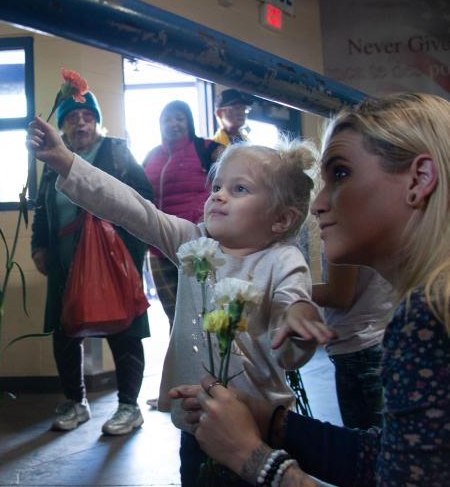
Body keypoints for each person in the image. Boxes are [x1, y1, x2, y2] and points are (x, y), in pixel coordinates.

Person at [27, 115, 325, 486]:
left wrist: (299, 322)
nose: (218, 195)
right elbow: (132, 208)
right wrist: (65, 161)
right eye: (217, 186)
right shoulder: (193, 244)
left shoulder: (281, 259)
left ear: (281, 219)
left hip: (256, 428)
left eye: (239, 189)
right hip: (197, 423)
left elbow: (291, 311)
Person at [178, 93, 450, 487]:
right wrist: (268, 420)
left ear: (419, 179)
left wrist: (251, 456)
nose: (319, 204)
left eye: (339, 174)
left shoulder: (428, 316)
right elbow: (393, 455)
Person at [30, 91, 153, 436]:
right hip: (64, 259)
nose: (80, 122)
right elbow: (43, 206)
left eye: (86, 116)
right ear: (63, 125)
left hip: (116, 257)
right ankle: (75, 402)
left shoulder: (116, 151)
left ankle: (129, 406)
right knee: (65, 330)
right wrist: (39, 244)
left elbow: (145, 198)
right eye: (71, 117)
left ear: (96, 120)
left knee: (125, 328)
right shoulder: (53, 157)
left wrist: (132, 249)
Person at [142, 100, 223, 409]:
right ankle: (179, 388)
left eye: (179, 118)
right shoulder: (152, 156)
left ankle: (215, 383)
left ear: (188, 122)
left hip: (198, 246)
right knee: (175, 321)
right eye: (167, 119)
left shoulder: (207, 149)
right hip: (159, 249)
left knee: (204, 315)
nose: (173, 124)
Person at [313, 263, 393, 430]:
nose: (322, 234)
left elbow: (339, 296)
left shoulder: (345, 237)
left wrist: (290, 288)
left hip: (359, 343)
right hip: (379, 335)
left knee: (365, 441)